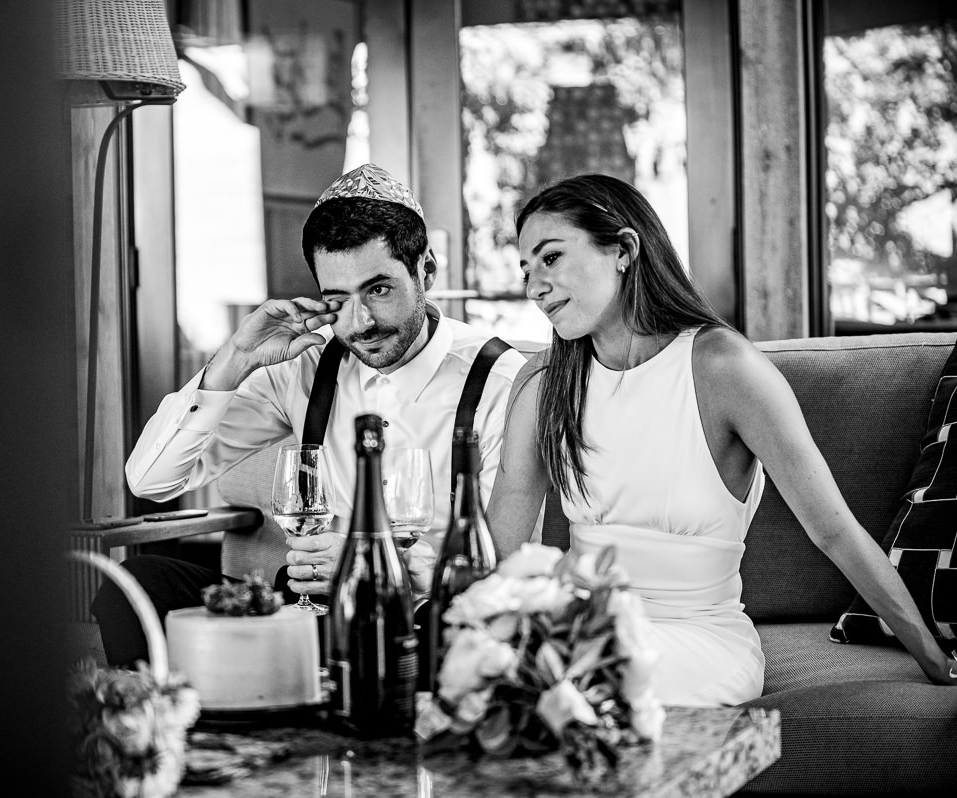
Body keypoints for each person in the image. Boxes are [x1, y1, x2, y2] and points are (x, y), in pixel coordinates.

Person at [487, 173, 957, 706]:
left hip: (696, 642)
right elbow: (501, 553)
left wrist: (936, 660)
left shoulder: (723, 367)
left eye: (550, 258)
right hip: (580, 634)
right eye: (526, 270)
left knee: (563, 690)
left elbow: (834, 532)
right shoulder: (545, 384)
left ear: (624, 250)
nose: (534, 287)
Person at [93, 163, 531, 668]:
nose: (360, 323)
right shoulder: (307, 364)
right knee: (138, 584)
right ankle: (175, 716)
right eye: (337, 299)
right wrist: (233, 360)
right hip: (310, 613)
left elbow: (500, 570)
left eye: (379, 290)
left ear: (426, 271)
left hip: (421, 625)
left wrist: (369, 563)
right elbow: (151, 480)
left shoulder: (500, 382)